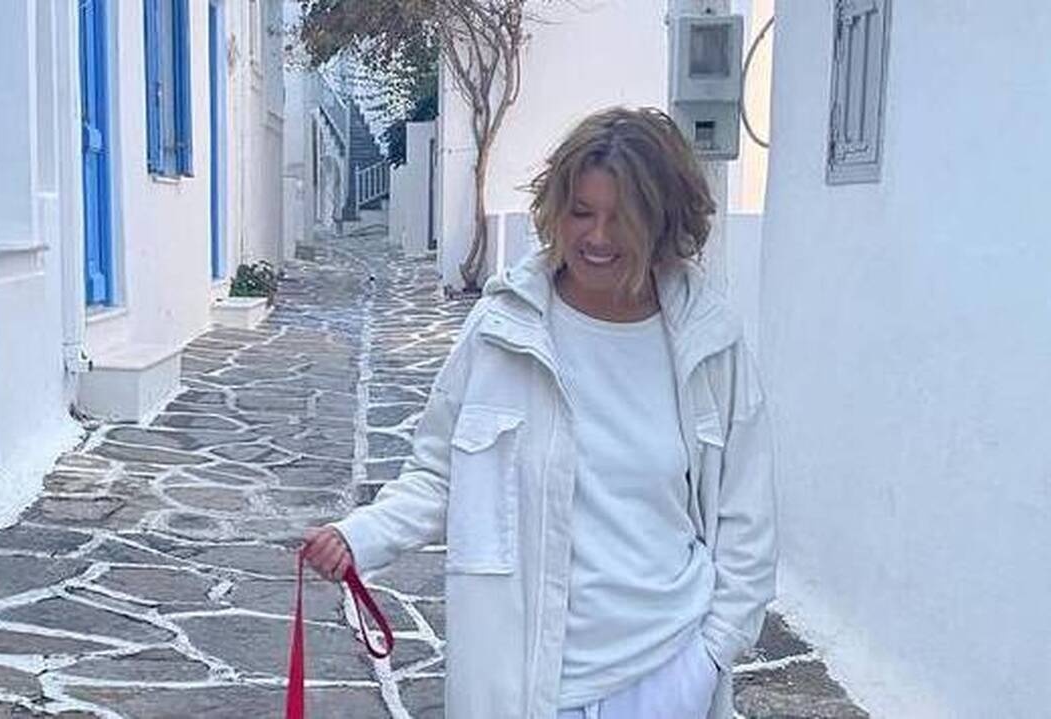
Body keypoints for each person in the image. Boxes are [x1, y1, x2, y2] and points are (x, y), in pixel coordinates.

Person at [303, 106, 777, 719]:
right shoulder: (503, 327)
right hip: (522, 676)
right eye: (581, 212)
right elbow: (439, 473)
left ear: (662, 222)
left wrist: (710, 655)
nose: (598, 237)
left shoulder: (710, 342)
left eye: (622, 218)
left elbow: (747, 520)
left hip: (665, 670)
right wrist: (360, 535)